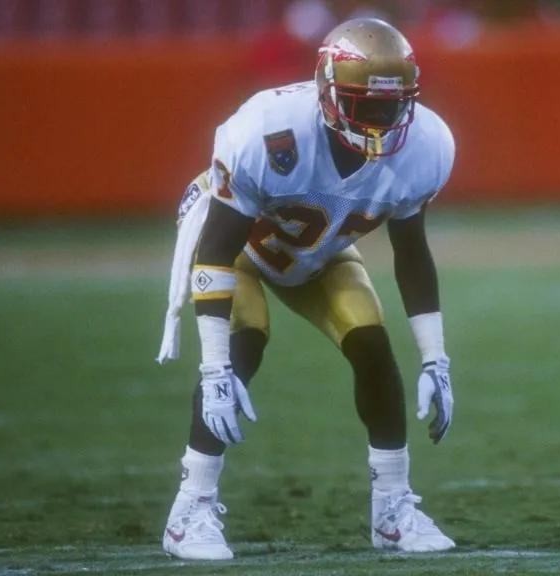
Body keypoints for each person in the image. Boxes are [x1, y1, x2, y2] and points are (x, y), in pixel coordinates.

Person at [156, 18, 457, 560]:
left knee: (371, 345)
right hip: (238, 245)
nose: (380, 121)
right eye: (364, 103)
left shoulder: (426, 146)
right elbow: (219, 248)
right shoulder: (266, 128)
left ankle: (392, 511)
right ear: (327, 89)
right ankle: (190, 509)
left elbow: (412, 254)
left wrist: (436, 358)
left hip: (319, 249)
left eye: (391, 106)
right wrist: (212, 366)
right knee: (243, 347)